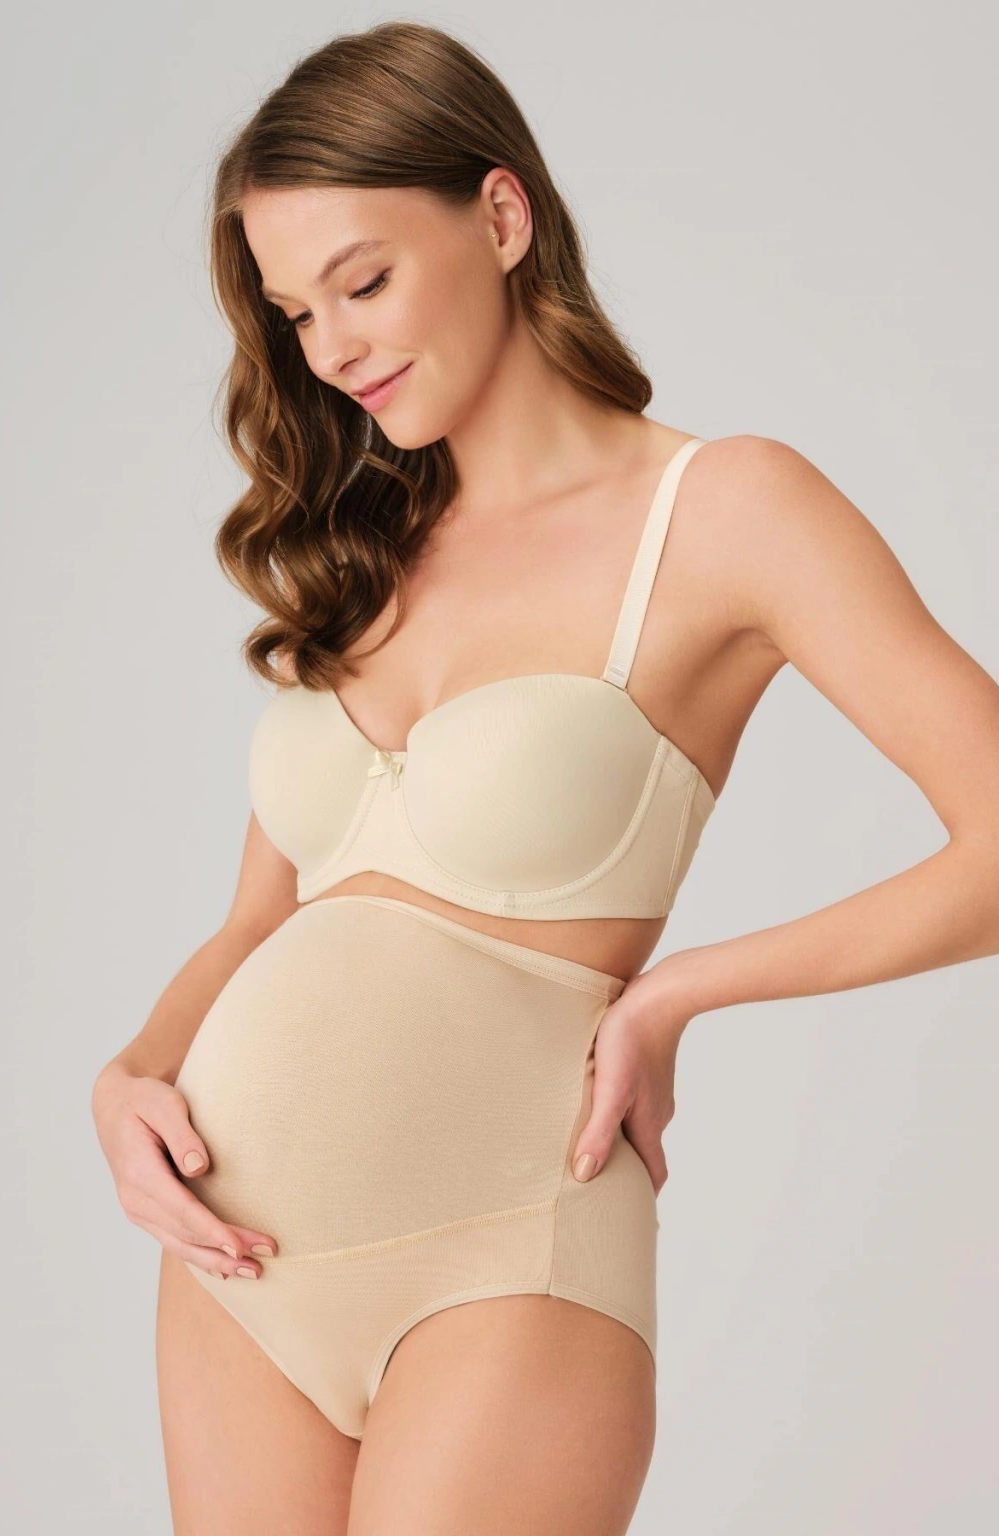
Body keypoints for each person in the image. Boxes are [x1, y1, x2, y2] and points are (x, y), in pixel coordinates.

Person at [90, 20, 999, 1536]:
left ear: (502, 217)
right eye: (296, 312)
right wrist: (127, 1077)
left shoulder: (722, 510)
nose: (333, 349)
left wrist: (676, 992)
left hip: (505, 1252)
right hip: (237, 1268)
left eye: (365, 282)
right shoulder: (360, 552)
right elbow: (257, 923)